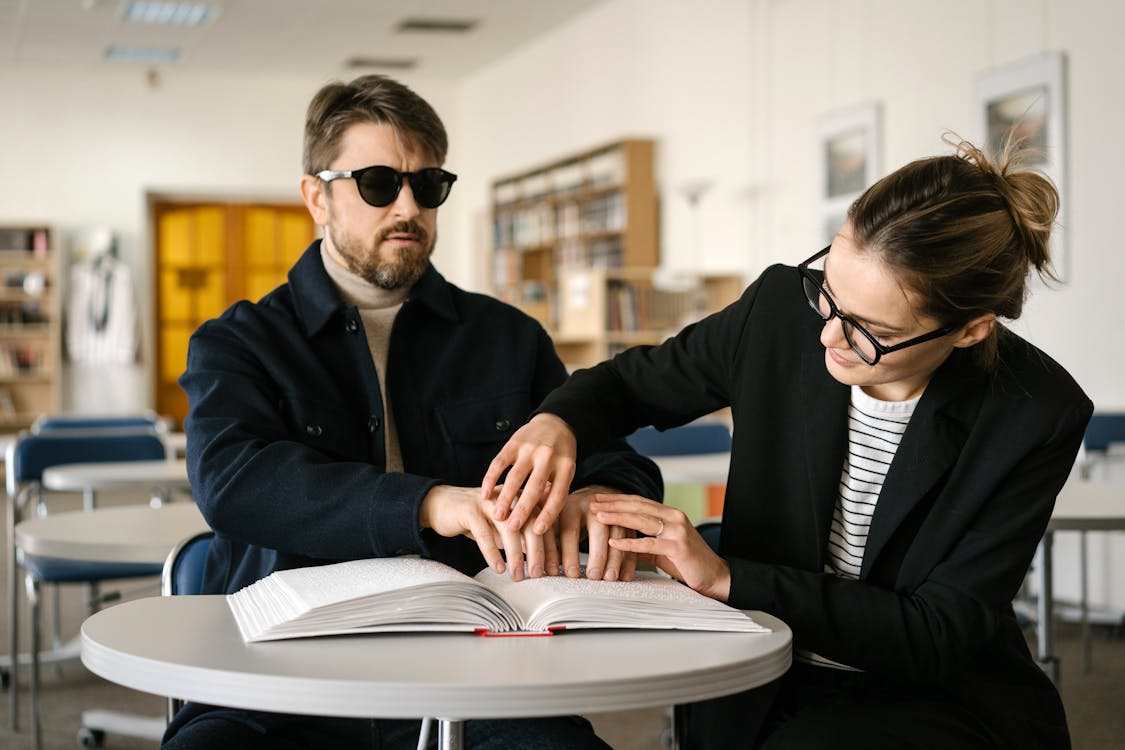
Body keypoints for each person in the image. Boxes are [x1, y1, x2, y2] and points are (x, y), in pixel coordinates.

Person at [484, 136, 1092, 749]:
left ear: (970, 330)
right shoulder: (779, 312)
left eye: (870, 331)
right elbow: (624, 384)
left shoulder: (1034, 413)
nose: (828, 336)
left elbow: (934, 634)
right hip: (758, 665)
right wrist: (556, 424)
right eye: (828, 295)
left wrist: (724, 576)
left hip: (927, 696)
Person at [166, 73, 661, 750]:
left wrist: (596, 497)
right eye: (377, 184)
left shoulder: (509, 340)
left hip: (481, 674)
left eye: (427, 186)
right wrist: (431, 504)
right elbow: (234, 482)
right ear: (316, 196)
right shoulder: (237, 342)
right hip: (282, 681)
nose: (408, 206)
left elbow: (613, 460)